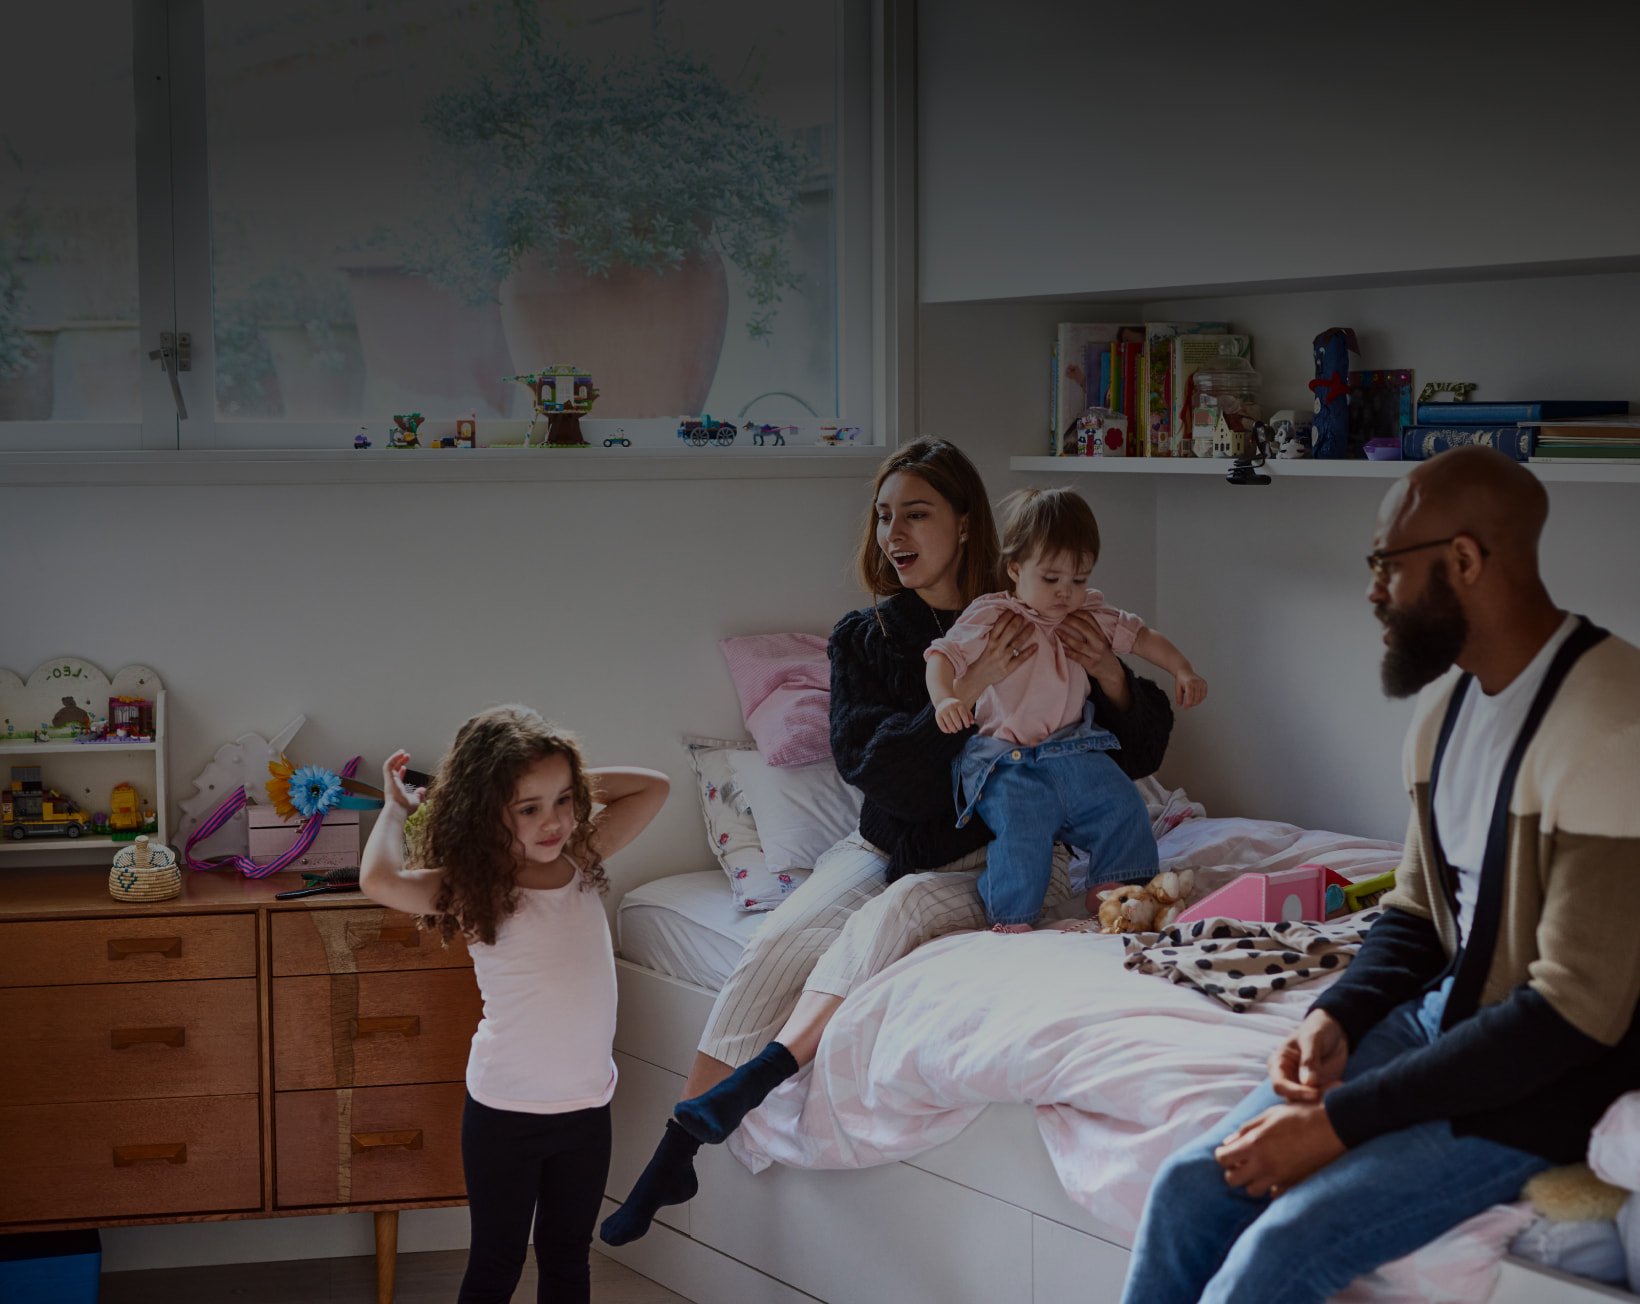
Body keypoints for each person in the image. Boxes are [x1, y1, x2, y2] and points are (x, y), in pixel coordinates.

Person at [602, 437, 1175, 1246]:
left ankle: (751, 1084)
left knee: (894, 918)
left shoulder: (1036, 604)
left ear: (967, 524)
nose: (892, 533)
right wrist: (967, 693)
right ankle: (678, 1147)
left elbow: (1138, 752)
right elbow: (880, 771)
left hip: (999, 851)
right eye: (882, 516)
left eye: (915, 513)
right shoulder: (864, 639)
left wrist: (1113, 678)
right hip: (883, 842)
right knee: (784, 938)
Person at [1119, 445, 1640, 1304]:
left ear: (1464, 561)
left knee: (1281, 1248)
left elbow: (1571, 1016)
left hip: (1543, 1082)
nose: (1371, 592)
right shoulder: (1447, 713)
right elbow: (1415, 912)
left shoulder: (1612, 726)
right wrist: (1339, 1013)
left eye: (1384, 566)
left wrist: (1333, 1127)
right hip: (1438, 1025)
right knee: (1188, 1188)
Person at [358, 706, 669, 1304]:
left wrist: (562, 781)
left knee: (567, 1260)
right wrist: (397, 809)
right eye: (529, 808)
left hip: (586, 1108)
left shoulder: (582, 857)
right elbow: (380, 881)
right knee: (497, 1265)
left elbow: (653, 787)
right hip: (505, 1115)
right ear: (487, 813)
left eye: (563, 800)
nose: (552, 821)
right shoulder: (476, 887)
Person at [926, 487, 1207, 930]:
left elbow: (1143, 636)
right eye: (1052, 579)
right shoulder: (993, 614)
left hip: (1073, 749)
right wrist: (945, 697)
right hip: (1006, 759)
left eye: (1078, 580)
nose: (1065, 593)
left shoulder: (1088, 613)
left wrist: (1182, 668)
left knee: (1123, 805)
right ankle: (1011, 918)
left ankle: (1119, 895)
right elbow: (941, 656)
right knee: (1024, 830)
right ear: (1015, 569)